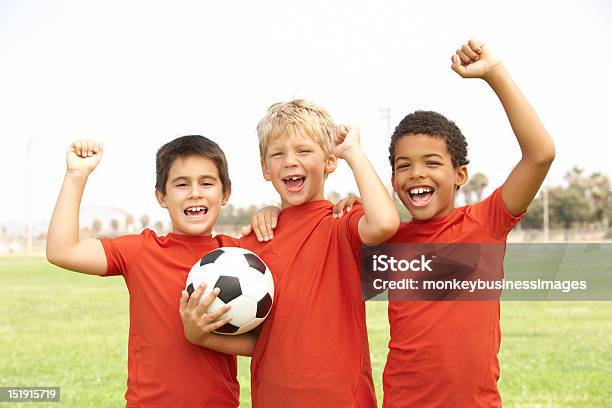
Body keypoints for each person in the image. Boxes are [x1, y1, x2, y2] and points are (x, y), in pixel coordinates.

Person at [181, 99, 400, 407]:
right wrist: (201, 336)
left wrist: (353, 153)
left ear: (329, 162)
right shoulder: (251, 249)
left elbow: (386, 223)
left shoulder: (341, 224)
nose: (290, 161)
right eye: (278, 153)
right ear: (265, 169)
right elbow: (262, 342)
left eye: (304, 151)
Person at [382, 39, 555, 407]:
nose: (416, 174)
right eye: (403, 165)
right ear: (393, 178)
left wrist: (494, 74)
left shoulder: (485, 224)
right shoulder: (387, 237)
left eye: (431, 162)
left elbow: (540, 154)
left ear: (460, 175)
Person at [46, 135, 251, 407]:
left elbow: (263, 343)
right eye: (181, 184)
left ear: (225, 193)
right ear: (161, 196)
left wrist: (271, 211)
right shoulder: (141, 251)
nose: (195, 192)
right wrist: (76, 175)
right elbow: (62, 250)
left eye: (207, 182)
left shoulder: (243, 259)